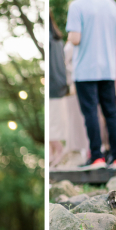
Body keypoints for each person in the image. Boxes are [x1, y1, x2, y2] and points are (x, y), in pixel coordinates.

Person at [66, 0, 116, 169]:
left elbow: (75, 38)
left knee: (91, 113)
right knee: (111, 113)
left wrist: (69, 37)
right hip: (107, 68)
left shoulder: (77, 6)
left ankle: (97, 157)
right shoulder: (112, 5)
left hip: (85, 69)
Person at [49, 12, 69, 166]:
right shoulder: (58, 40)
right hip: (59, 85)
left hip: (52, 86)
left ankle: (59, 152)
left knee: (52, 125)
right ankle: (53, 155)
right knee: (54, 123)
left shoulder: (50, 39)